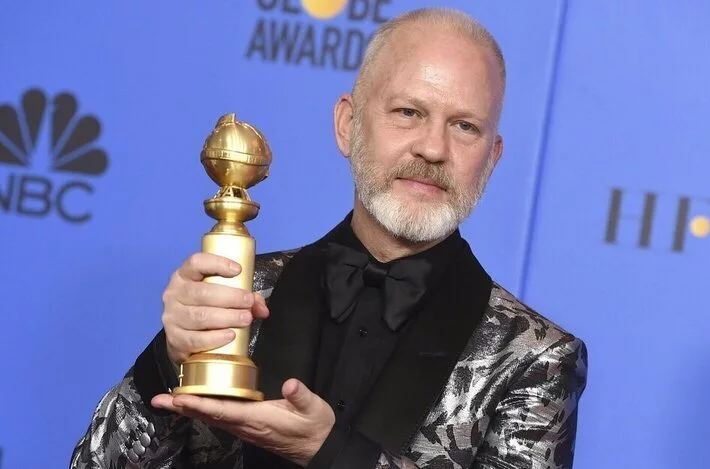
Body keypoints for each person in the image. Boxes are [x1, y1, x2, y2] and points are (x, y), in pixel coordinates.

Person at [70, 7, 587, 469]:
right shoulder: (240, 291)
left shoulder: (534, 357)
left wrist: (331, 453)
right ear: (348, 125)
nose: (433, 148)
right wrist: (169, 360)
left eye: (465, 126)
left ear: (491, 159)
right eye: (408, 112)